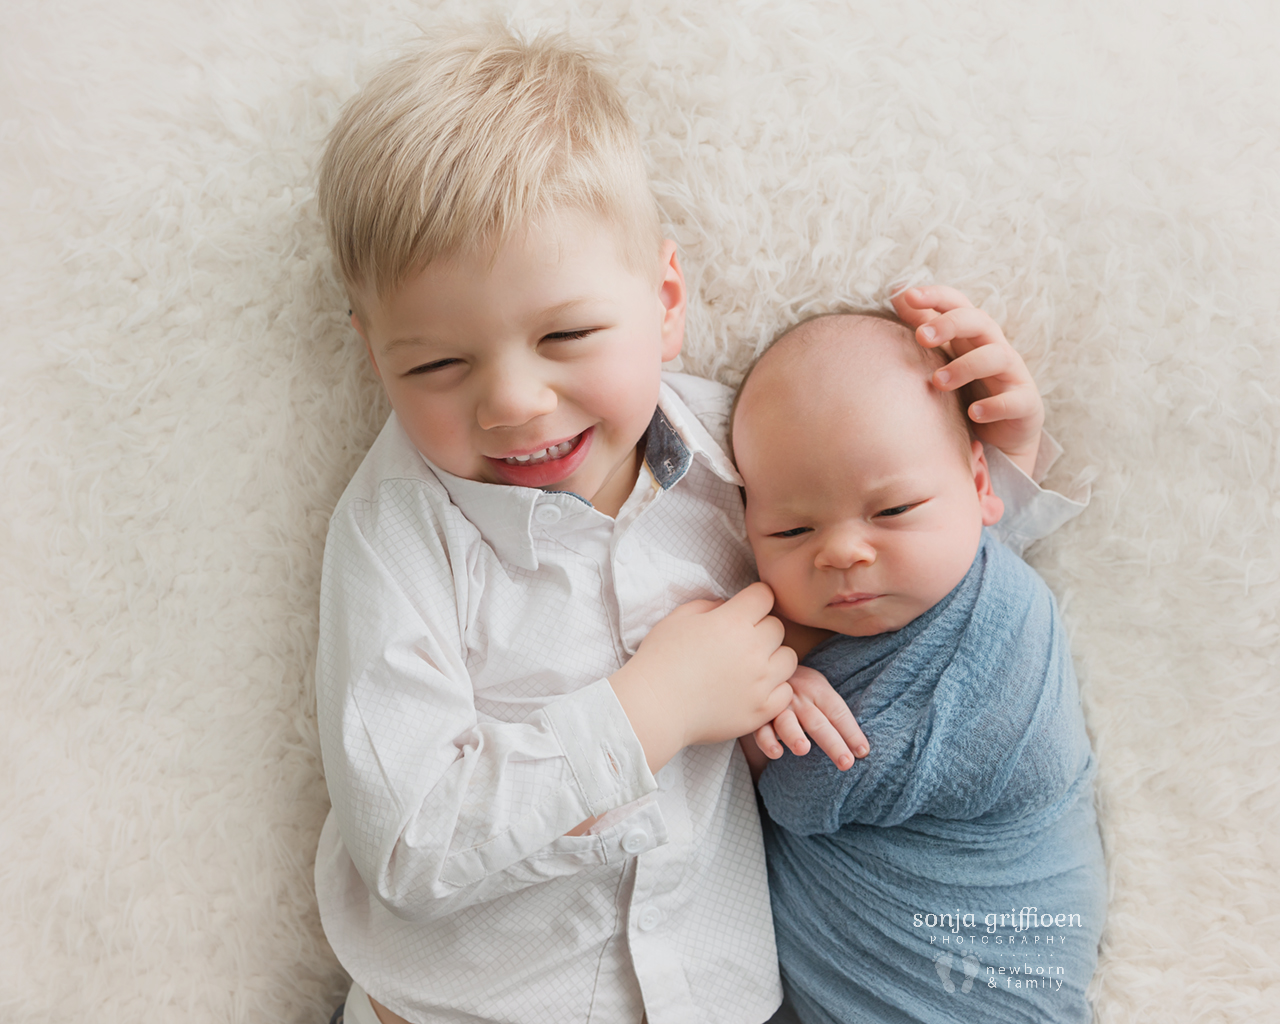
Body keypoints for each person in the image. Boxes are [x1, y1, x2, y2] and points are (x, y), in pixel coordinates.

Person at [312, 26, 1081, 1024]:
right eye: (435, 366)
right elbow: (408, 840)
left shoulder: (742, 444)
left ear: (663, 300)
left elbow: (887, 572)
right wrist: (649, 710)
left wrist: (1002, 462)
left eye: (566, 335)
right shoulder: (397, 535)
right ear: (375, 355)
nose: (512, 402)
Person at [733, 312, 1106, 1024]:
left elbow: (807, 790)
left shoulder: (1005, 623)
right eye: (790, 530)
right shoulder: (936, 568)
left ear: (980, 480)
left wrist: (770, 701)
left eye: (894, 509)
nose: (842, 552)